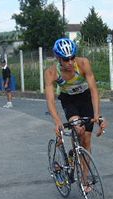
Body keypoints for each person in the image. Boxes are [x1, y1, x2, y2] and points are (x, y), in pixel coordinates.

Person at [45, 38, 107, 190]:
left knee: (86, 139)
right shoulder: (51, 72)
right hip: (69, 101)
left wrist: (97, 115)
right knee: (77, 127)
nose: (71, 62)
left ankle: (84, 179)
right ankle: (73, 149)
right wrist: (57, 122)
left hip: (84, 98)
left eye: (73, 57)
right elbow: (51, 100)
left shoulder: (83, 63)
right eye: (66, 59)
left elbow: (93, 90)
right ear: (58, 58)